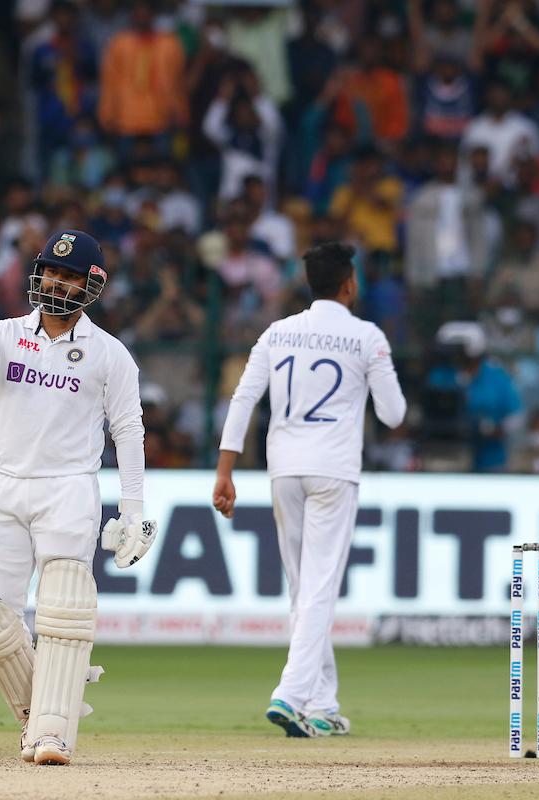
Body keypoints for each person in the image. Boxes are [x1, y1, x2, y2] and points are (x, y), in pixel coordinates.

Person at [0, 230, 156, 766]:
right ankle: (44, 711)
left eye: (68, 275)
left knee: (64, 611)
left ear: (90, 285)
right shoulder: (7, 333)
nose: (55, 281)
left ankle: (52, 734)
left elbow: (128, 429)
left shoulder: (110, 354)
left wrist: (134, 511)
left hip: (68, 488)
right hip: (2, 483)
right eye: (50, 272)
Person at [212, 242, 406, 738]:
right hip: (334, 470)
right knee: (320, 587)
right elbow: (394, 414)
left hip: (284, 468)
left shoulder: (279, 332)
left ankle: (323, 702)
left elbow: (243, 398)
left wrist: (225, 470)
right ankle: (292, 694)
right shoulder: (366, 336)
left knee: (303, 588)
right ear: (349, 284)